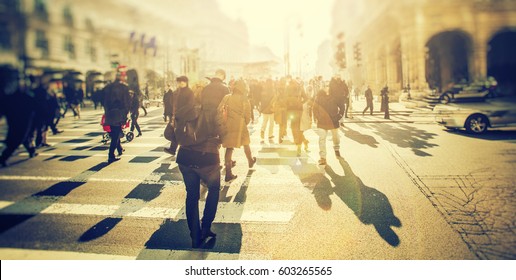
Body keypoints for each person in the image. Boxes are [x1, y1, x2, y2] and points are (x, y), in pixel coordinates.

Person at [175, 74, 222, 249]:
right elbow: (221, 130)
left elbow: (175, 131)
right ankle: (206, 227)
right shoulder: (213, 109)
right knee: (214, 189)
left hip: (185, 158)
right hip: (208, 158)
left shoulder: (183, 109)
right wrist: (218, 140)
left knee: (191, 196)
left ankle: (195, 236)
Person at [218, 79, 256, 182]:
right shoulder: (244, 99)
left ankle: (228, 173)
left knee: (229, 148)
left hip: (227, 126)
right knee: (246, 143)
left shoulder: (227, 97)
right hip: (240, 126)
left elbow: (219, 110)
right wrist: (243, 123)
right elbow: (247, 116)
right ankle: (250, 161)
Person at [102, 74, 131, 163]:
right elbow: (127, 103)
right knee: (115, 135)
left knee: (115, 133)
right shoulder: (123, 88)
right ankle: (111, 155)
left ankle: (119, 149)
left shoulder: (108, 88)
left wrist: (107, 113)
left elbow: (104, 102)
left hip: (110, 115)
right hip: (119, 114)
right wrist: (125, 115)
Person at [313, 85, 344, 165]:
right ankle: (323, 157)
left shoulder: (335, 96)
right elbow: (314, 108)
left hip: (333, 120)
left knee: (335, 136)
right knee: (322, 139)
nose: (326, 88)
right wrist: (317, 117)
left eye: (328, 86)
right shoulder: (319, 97)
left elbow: (342, 106)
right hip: (322, 121)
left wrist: (339, 116)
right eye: (325, 86)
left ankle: (336, 148)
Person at [259, 78, 276, 143]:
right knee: (271, 123)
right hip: (271, 108)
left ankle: (262, 130)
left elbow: (262, 99)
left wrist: (262, 108)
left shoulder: (263, 90)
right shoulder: (272, 90)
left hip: (264, 108)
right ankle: (270, 135)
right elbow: (274, 98)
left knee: (265, 121)